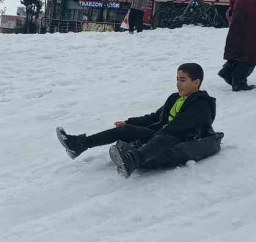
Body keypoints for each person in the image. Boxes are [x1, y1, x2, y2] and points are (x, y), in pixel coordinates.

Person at [55, 63, 221, 178]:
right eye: (177, 79)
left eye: (182, 80)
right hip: (162, 135)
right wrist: (129, 122)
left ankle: (131, 161)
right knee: (126, 130)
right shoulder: (174, 98)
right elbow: (155, 117)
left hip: (182, 140)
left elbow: (179, 128)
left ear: (196, 82)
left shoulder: (202, 104)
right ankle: (78, 144)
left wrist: (154, 135)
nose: (178, 84)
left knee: (164, 137)